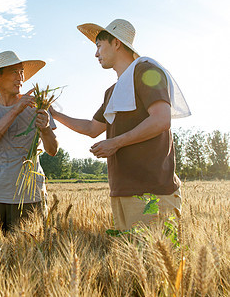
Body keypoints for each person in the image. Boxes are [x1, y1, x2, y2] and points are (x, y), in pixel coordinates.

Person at [50, 19, 190, 230]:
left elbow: (161, 119)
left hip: (152, 191)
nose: (96, 54)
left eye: (99, 46)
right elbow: (91, 129)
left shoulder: (146, 71)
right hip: (122, 190)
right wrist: (54, 113)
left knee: (151, 259)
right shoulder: (112, 92)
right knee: (130, 260)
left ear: (116, 43)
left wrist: (116, 142)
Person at [0, 50, 58, 232]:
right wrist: (16, 110)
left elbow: (52, 150)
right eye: (14, 72)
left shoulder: (38, 104)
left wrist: (45, 129)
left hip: (30, 196)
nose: (20, 77)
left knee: (29, 255)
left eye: (21, 72)